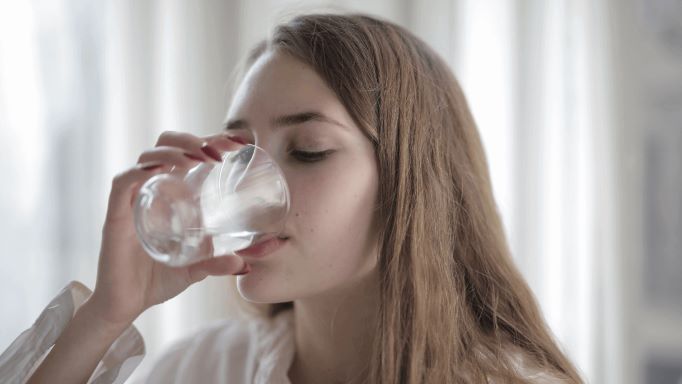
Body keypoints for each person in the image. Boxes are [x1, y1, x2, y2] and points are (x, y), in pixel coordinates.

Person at [0, 13, 584, 384]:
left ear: (412, 184)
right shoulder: (207, 369)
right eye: (238, 152)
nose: (245, 187)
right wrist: (105, 316)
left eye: (306, 150)